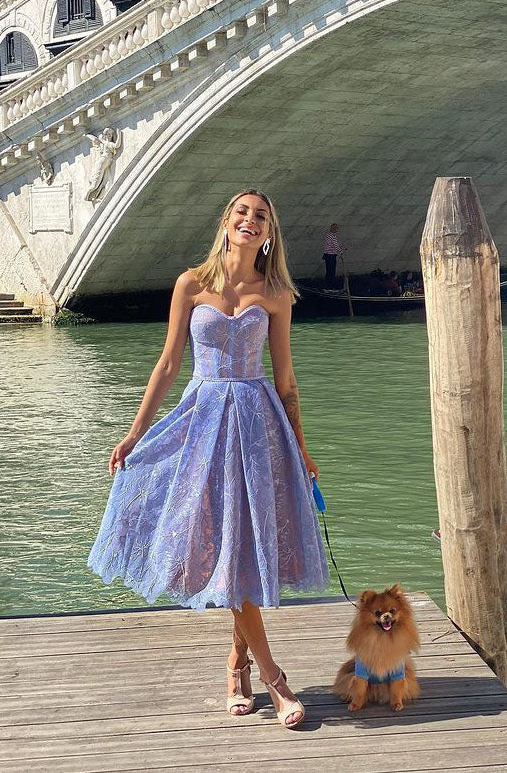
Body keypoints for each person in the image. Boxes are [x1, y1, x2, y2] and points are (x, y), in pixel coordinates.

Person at [87, 189, 330, 729]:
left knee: (243, 548)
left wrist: (302, 447)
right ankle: (274, 677)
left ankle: (237, 666)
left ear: (269, 233)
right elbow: (169, 363)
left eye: (261, 217)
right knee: (224, 544)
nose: (250, 221)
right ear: (226, 221)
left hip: (258, 423)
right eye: (242, 212)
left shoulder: (276, 293)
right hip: (202, 423)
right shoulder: (191, 283)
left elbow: (286, 380)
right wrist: (133, 435)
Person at [322, 222, 345, 288]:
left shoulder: (328, 235)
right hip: (330, 255)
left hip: (328, 255)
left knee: (329, 270)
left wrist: (340, 248)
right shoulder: (332, 236)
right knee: (331, 271)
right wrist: (341, 252)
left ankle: (328, 284)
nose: (337, 229)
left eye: (337, 228)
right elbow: (335, 245)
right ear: (332, 228)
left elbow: (334, 245)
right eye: (336, 228)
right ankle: (330, 285)